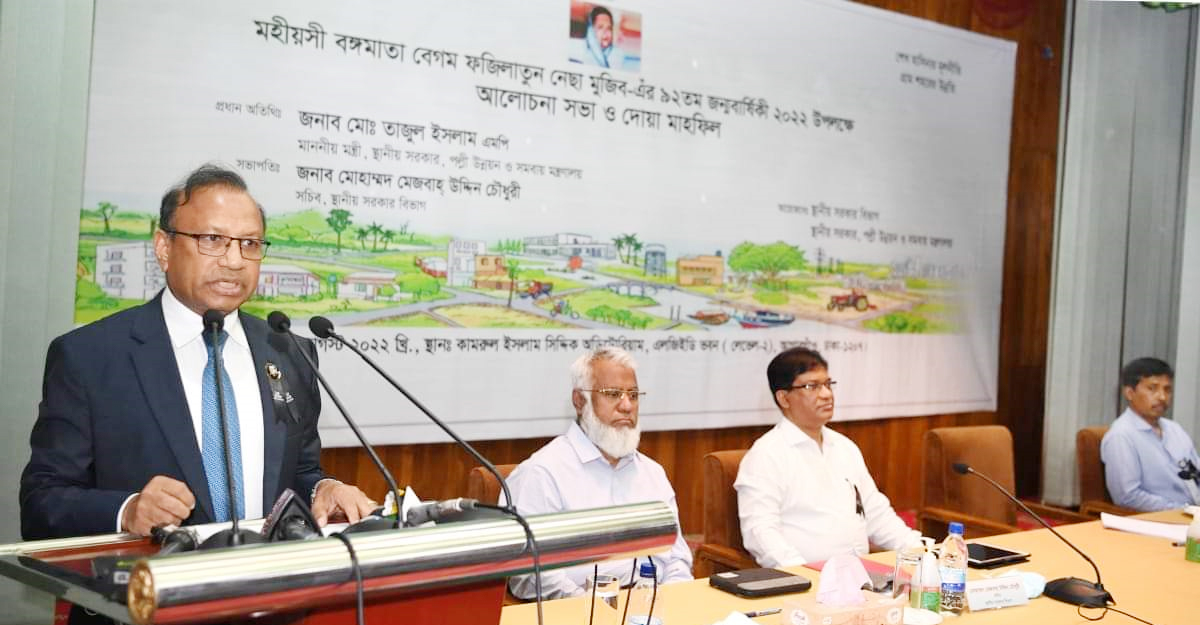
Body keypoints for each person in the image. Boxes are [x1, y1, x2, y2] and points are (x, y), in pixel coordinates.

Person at [20, 164, 374, 540]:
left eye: (250, 244)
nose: (234, 261)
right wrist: (127, 511)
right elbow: (42, 502)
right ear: (164, 248)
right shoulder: (89, 357)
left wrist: (324, 489)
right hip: (148, 574)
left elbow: (298, 473)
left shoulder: (289, 352)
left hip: (268, 575)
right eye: (212, 239)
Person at [504, 347, 692, 600]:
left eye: (633, 395)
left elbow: (677, 557)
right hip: (577, 607)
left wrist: (674, 600)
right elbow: (529, 572)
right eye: (613, 394)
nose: (627, 406)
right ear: (580, 401)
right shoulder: (541, 473)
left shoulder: (652, 473)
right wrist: (592, 606)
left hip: (653, 605)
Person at [734, 347, 918, 568]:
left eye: (828, 384)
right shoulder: (766, 456)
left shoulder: (844, 447)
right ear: (784, 398)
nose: (826, 394)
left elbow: (876, 513)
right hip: (805, 579)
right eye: (812, 386)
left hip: (860, 575)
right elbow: (761, 534)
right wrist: (806, 575)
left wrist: (920, 551)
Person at [1101, 357, 1200, 511]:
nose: (1162, 397)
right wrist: (1183, 511)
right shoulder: (1121, 436)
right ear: (1129, 393)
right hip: (1165, 519)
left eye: (1167, 389)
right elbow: (1127, 497)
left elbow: (1196, 472)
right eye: (1152, 388)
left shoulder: (1175, 429)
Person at [568, 5, 638, 71]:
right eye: (600, 27)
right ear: (591, 30)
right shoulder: (576, 48)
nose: (606, 32)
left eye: (609, 28)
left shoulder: (618, 54)